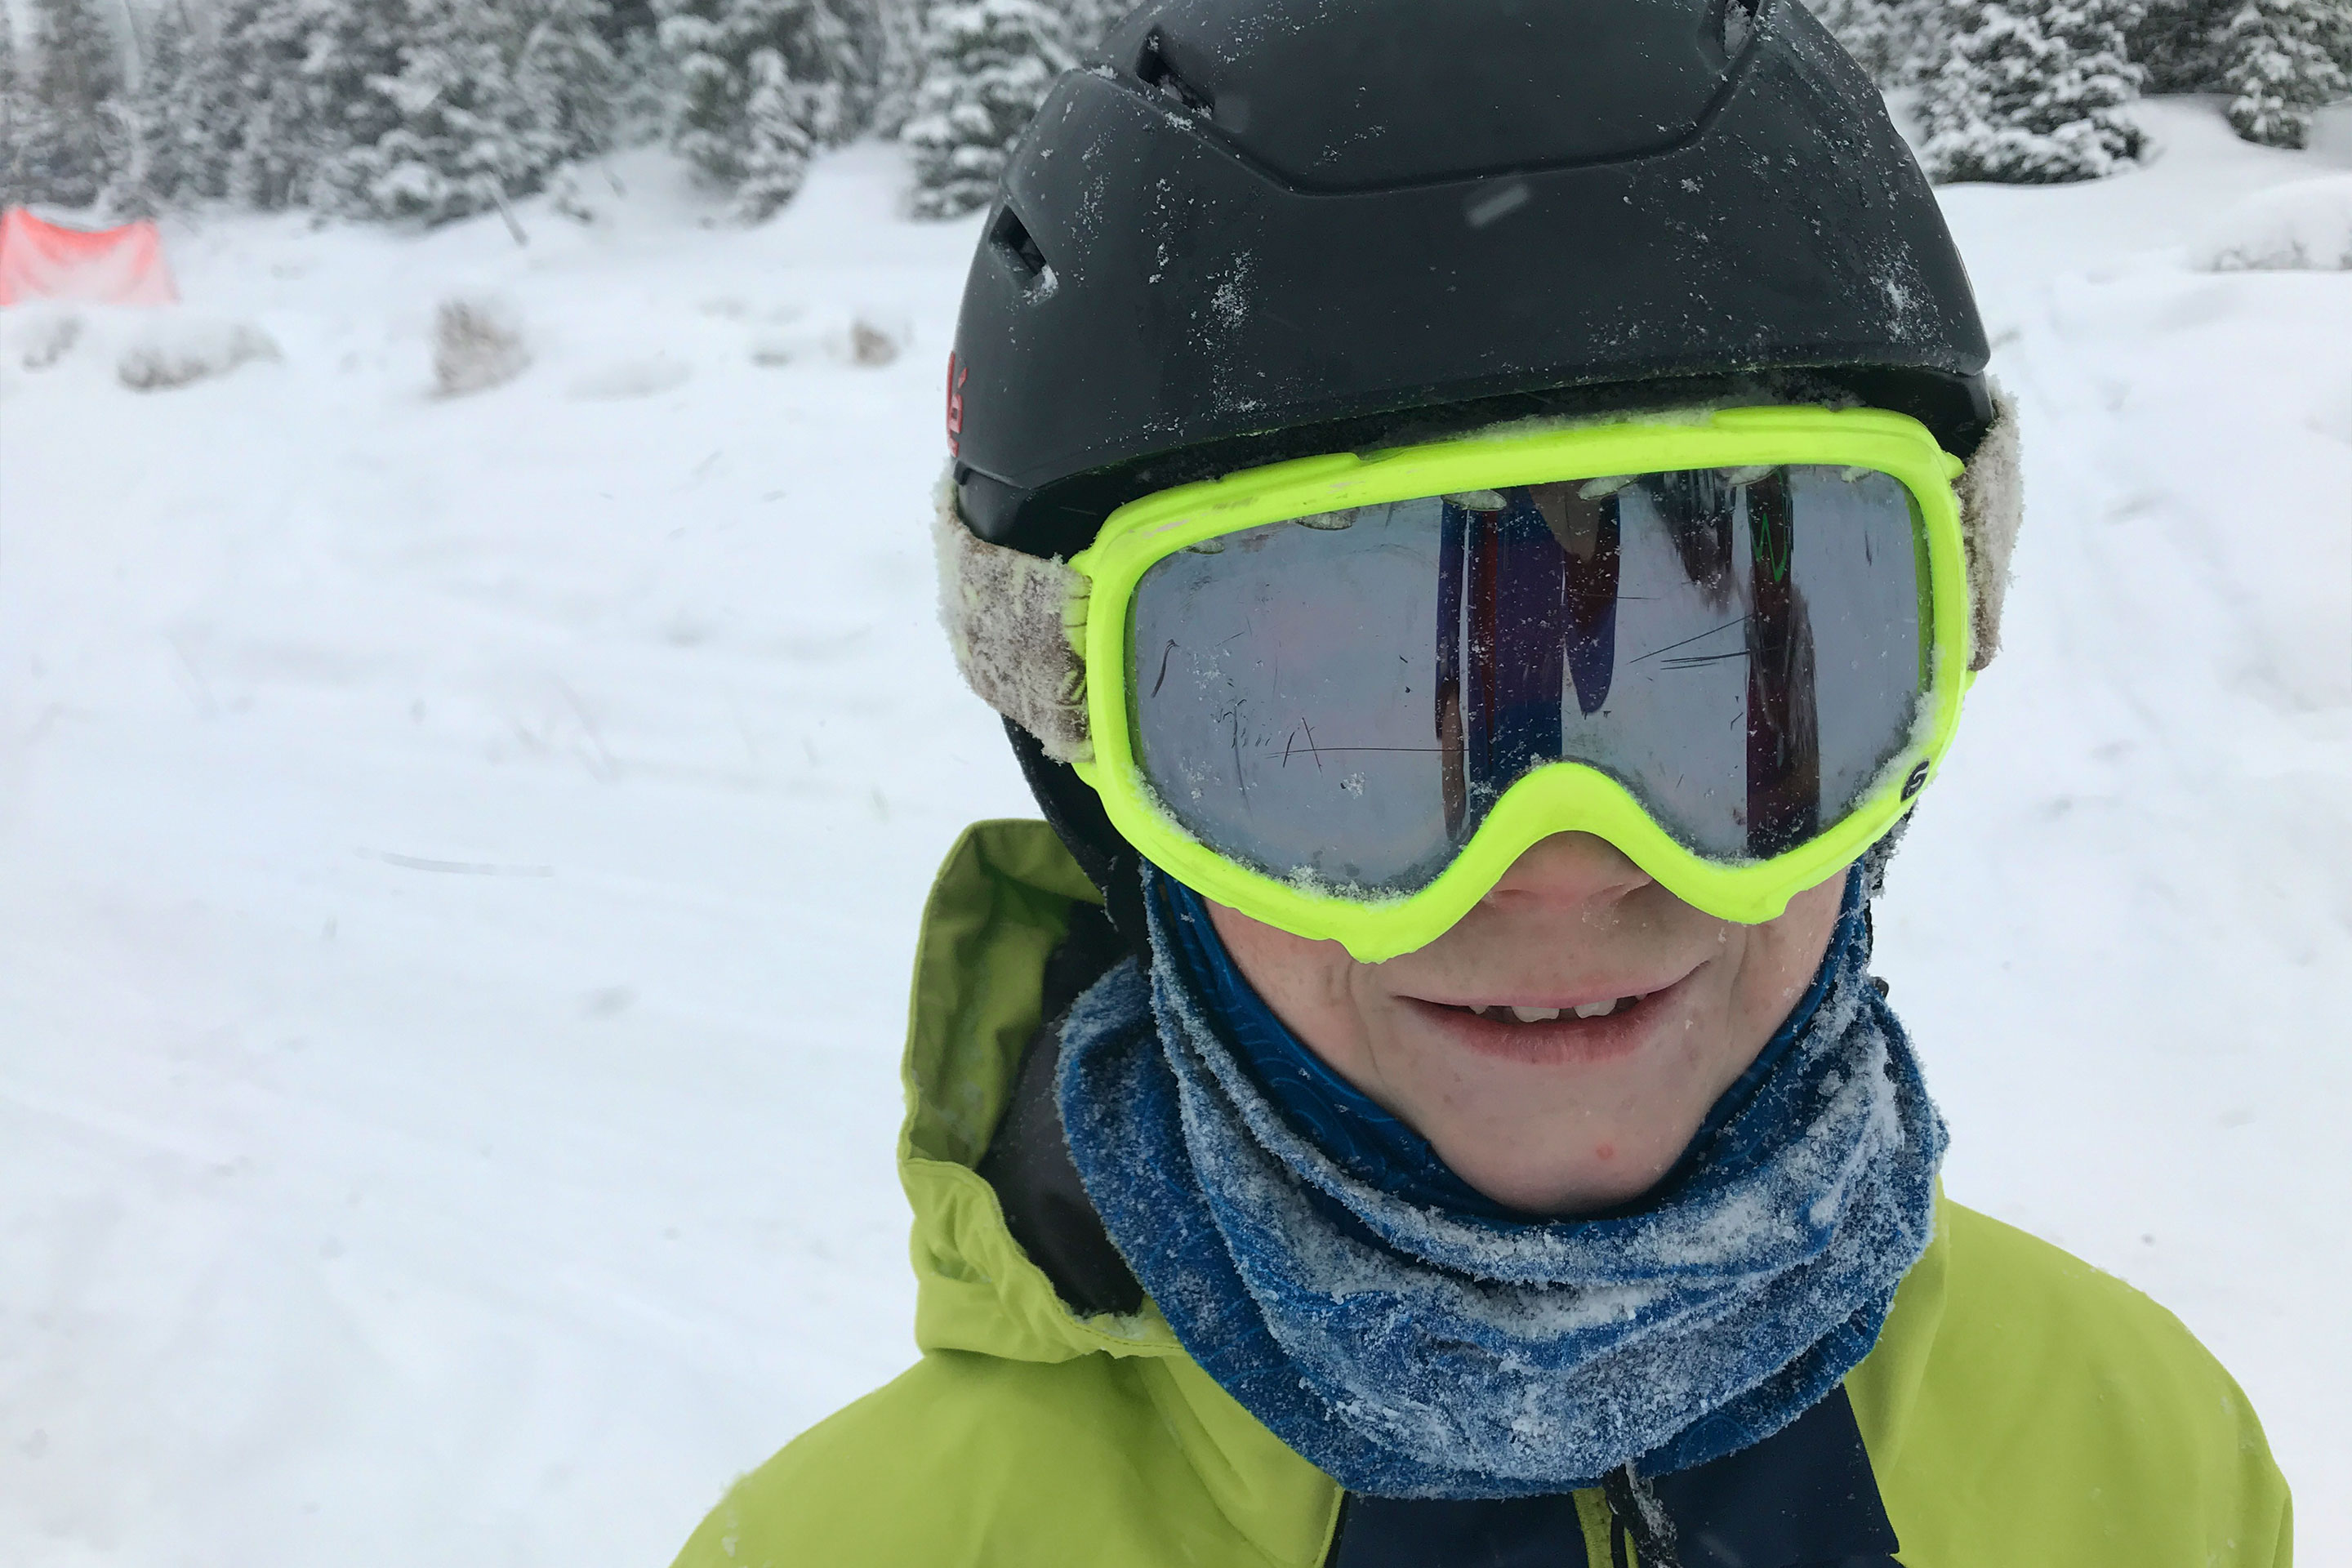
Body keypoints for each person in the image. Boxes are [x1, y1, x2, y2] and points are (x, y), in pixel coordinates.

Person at [670, 2, 2293, 1562]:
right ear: (1103, 775)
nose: (1567, 866)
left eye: (1726, 693)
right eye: (1350, 726)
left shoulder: (2144, 1455)